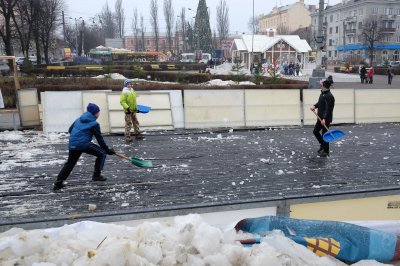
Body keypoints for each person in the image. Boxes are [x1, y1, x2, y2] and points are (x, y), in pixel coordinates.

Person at [53, 103, 115, 191]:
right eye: (98, 112)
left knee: (70, 163)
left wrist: (78, 136)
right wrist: (108, 150)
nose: (99, 114)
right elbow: (100, 140)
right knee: (102, 153)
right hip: (83, 144)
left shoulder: (78, 119)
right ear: (95, 113)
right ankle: (96, 175)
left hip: (73, 143)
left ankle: (58, 183)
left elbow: (70, 130)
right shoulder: (94, 124)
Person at [310, 79, 335, 157]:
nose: (321, 85)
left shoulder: (330, 96)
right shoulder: (323, 93)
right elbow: (320, 103)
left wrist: (324, 119)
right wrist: (315, 106)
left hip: (325, 119)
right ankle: (322, 145)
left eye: (322, 84)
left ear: (324, 86)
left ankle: (326, 151)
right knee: (315, 131)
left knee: (325, 135)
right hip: (320, 118)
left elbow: (329, 109)